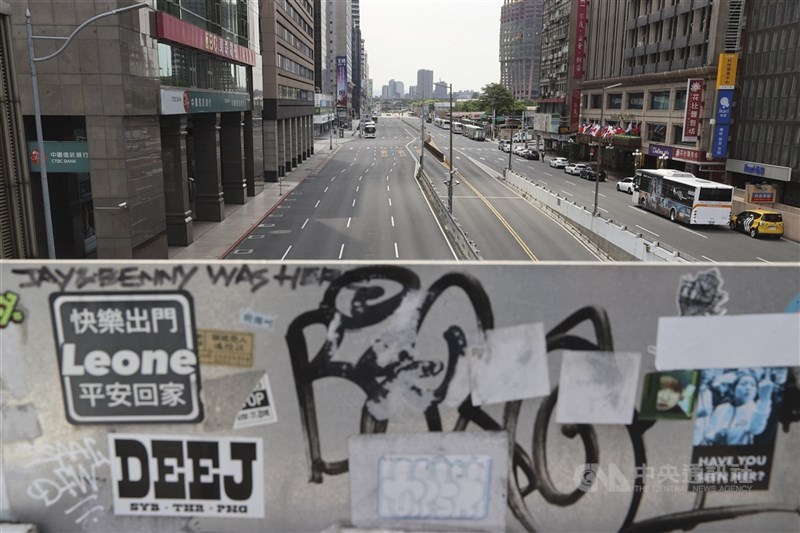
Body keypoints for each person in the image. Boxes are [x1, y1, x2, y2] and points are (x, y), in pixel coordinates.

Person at [703, 371, 774, 446]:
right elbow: (709, 432)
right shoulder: (721, 408)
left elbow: (756, 429)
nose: (748, 387)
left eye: (753, 385)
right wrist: (716, 435)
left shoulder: (756, 410)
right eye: (743, 384)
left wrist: (764, 400)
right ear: (733, 390)